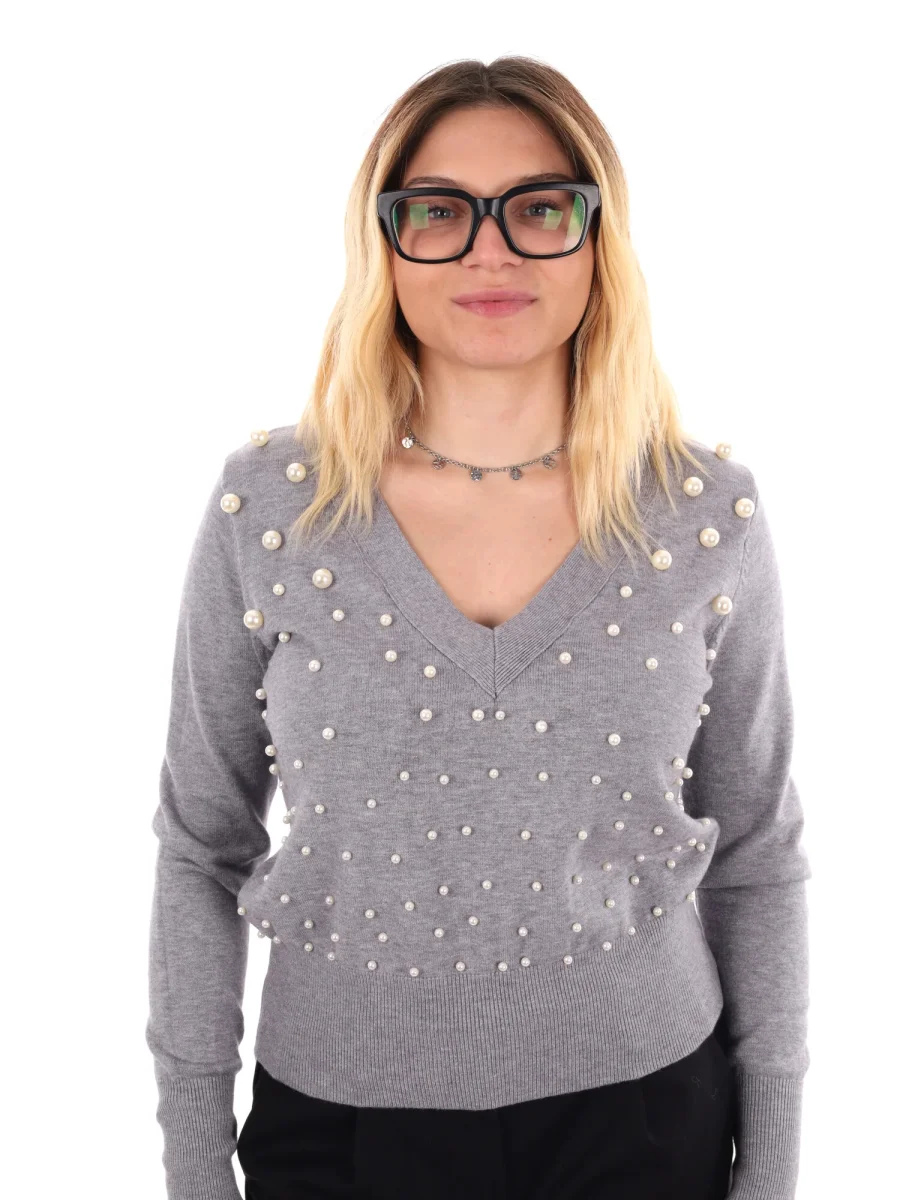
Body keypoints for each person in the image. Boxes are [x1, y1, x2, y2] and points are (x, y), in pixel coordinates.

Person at [146, 55, 811, 1200]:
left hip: (648, 1127)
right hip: (338, 1135)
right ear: (385, 243)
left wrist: (777, 1167)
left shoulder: (704, 517)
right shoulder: (274, 512)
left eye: (540, 209)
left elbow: (756, 850)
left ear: (598, 241)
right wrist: (196, 1171)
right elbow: (201, 847)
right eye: (439, 212)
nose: (489, 252)